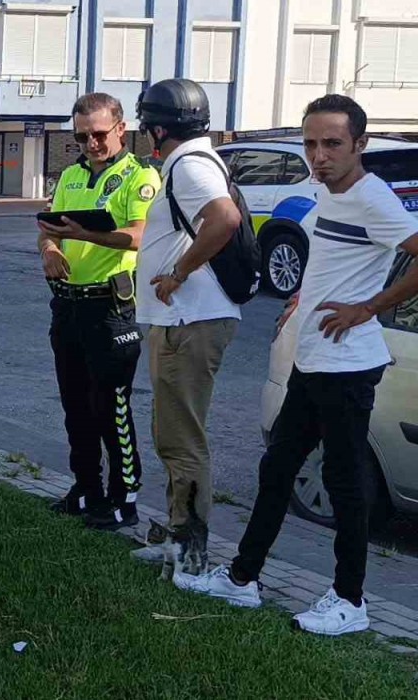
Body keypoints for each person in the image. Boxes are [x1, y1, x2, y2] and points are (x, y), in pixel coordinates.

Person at [183, 95, 418, 636]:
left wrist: (368, 308)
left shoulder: (372, 198)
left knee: (345, 484)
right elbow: (335, 257)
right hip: (313, 359)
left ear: (359, 144)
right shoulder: (325, 193)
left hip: (349, 366)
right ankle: (242, 579)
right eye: (311, 143)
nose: (320, 154)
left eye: (333, 143)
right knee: (277, 472)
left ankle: (349, 602)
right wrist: (304, 298)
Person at [133, 78, 243, 574]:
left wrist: (178, 273)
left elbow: (225, 218)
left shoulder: (191, 166)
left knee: (183, 439)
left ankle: (192, 553)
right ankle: (177, 532)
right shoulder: (191, 161)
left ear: (156, 129)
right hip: (181, 320)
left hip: (190, 321)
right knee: (170, 433)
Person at [37, 93, 161, 530]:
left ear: (121, 129)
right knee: (75, 406)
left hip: (110, 308)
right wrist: (51, 247)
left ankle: (123, 499)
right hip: (68, 305)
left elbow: (138, 235)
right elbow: (48, 225)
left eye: (99, 134)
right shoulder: (70, 174)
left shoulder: (139, 177)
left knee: (112, 407)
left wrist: (82, 232)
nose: (91, 143)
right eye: (81, 136)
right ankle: (85, 489)